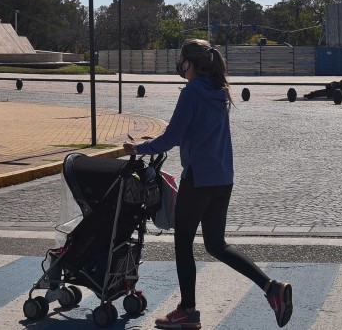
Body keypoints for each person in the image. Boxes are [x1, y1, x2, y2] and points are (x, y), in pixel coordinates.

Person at [123, 39, 292, 330]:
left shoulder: (192, 92)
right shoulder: (218, 90)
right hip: (223, 178)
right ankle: (271, 287)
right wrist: (157, 142)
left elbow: (172, 137)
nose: (179, 64)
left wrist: (138, 148)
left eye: (181, 59)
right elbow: (197, 133)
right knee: (216, 244)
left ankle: (187, 311)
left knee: (183, 242)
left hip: (198, 179)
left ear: (189, 63)